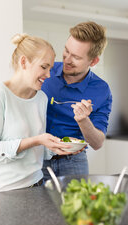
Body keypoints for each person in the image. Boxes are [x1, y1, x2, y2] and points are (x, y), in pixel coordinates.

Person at [0, 33, 72, 194]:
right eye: (44, 67)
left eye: (50, 68)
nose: (48, 75)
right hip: (1, 192)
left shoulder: (41, 98)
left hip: (36, 185)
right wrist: (37, 140)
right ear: (24, 62)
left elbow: (36, 147)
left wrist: (58, 147)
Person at [42, 21, 112, 180]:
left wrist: (83, 120)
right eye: (66, 51)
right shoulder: (46, 72)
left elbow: (97, 143)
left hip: (73, 161)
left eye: (76, 57)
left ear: (93, 61)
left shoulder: (101, 90)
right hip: (38, 158)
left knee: (76, 204)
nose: (67, 60)